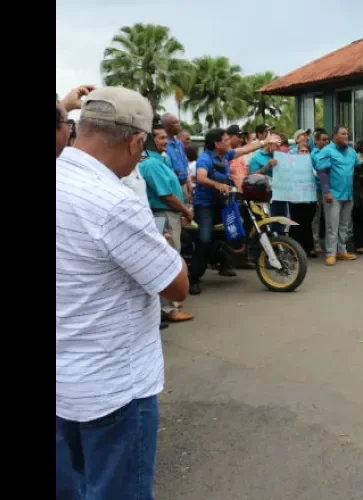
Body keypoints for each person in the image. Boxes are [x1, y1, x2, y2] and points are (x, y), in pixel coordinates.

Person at [57, 87, 189, 500]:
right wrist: (163, 245)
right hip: (113, 386)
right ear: (135, 141)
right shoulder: (113, 203)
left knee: (76, 487)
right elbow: (176, 285)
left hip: (65, 379)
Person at [189, 128, 276, 295]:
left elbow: (245, 149)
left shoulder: (225, 155)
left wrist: (265, 142)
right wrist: (217, 185)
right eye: (226, 140)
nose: (230, 142)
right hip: (206, 205)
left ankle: (235, 256)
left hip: (224, 201)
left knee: (243, 221)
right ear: (216, 143)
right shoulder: (205, 159)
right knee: (205, 239)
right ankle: (194, 279)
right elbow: (200, 177)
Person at [138, 123, 195, 322]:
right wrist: (186, 210)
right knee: (169, 259)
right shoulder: (151, 163)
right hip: (163, 214)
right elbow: (167, 195)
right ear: (150, 141)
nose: (166, 142)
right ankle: (169, 309)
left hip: (166, 213)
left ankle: (168, 306)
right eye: (161, 138)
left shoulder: (158, 160)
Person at [316, 125, 361, 266]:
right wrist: (326, 192)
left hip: (348, 194)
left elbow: (359, 165)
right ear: (335, 136)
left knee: (344, 225)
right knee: (332, 226)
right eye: (343, 133)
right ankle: (330, 253)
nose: (346, 136)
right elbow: (322, 172)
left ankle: (341, 250)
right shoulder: (327, 151)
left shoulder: (351, 151)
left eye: (347, 133)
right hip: (333, 195)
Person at [310, 129, 330, 257]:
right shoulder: (313, 155)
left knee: (330, 218)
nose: (326, 142)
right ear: (316, 141)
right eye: (323, 140)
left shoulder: (331, 152)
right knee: (316, 218)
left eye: (327, 139)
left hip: (331, 189)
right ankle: (316, 243)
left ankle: (330, 245)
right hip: (317, 189)